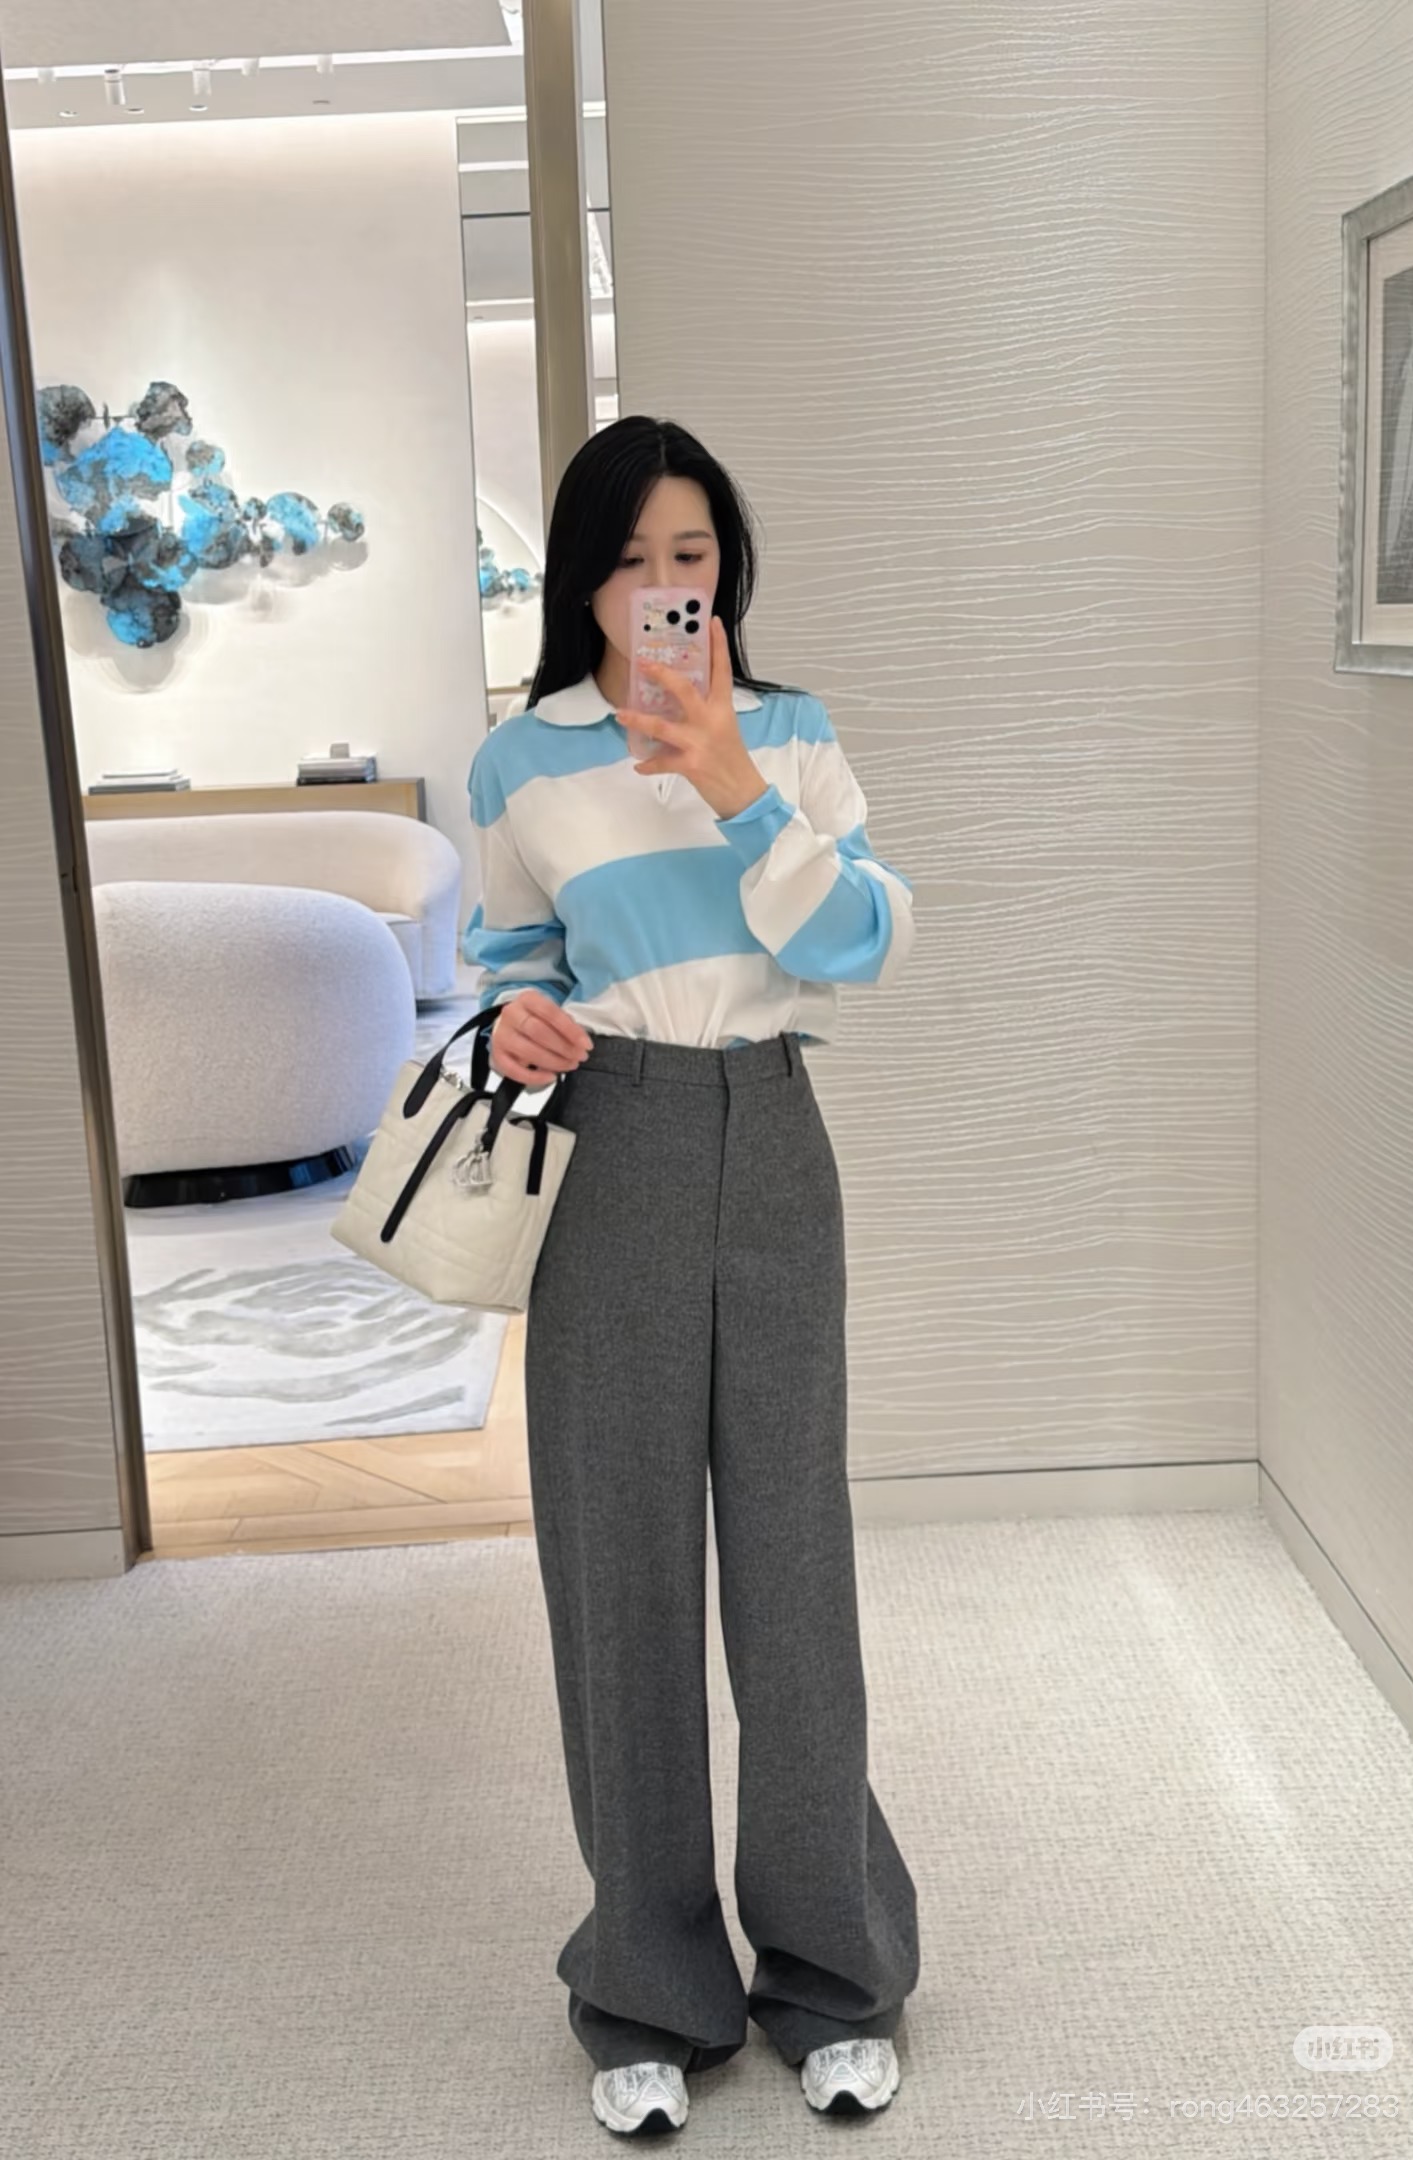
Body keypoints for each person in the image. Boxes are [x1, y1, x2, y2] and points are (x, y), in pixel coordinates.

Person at [462, 414, 921, 2136]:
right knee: (621, 1573)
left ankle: (833, 1976)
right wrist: (512, 1023)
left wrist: (729, 775)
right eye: (634, 559)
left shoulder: (788, 734)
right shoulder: (519, 762)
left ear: (726, 568)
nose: (667, 587)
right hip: (614, 1141)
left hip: (773, 1133)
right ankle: (647, 1986)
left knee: (793, 1569)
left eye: (694, 556)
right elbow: (505, 961)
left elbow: (859, 941)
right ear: (581, 579)